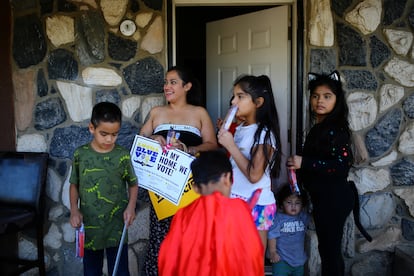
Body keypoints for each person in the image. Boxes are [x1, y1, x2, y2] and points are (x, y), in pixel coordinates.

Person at [139, 65, 218, 275]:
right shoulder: (157, 112)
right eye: (166, 82)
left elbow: (212, 145)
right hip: (160, 190)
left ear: (187, 86)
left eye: (173, 82)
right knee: (161, 241)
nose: (167, 87)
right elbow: (140, 141)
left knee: (190, 240)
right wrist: (152, 138)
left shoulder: (199, 112)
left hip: (190, 189)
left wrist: (189, 148)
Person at [286, 71, 354, 276]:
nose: (319, 101)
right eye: (315, 96)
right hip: (325, 198)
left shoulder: (336, 129)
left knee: (330, 252)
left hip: (334, 199)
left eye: (327, 96)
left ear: (337, 99)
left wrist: (304, 162)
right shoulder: (320, 127)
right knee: (327, 251)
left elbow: (341, 166)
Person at [158, 150, 264, 276]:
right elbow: (253, 259)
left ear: (195, 188)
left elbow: (168, 261)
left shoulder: (183, 215)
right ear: (227, 178)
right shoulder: (238, 210)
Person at [69, 102, 138, 276]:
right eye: (104, 134)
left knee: (120, 271)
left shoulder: (122, 155)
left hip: (116, 225)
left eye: (115, 134)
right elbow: (74, 184)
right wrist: (74, 210)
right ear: (92, 128)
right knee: (91, 272)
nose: (109, 139)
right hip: (90, 227)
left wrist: (131, 207)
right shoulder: (81, 154)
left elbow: (133, 183)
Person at [217, 74, 282, 249]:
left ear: (258, 103)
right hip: (234, 201)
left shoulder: (264, 134)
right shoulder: (239, 129)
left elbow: (254, 175)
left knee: (253, 262)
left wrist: (231, 145)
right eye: (233, 96)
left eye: (240, 96)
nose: (233, 102)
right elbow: (235, 164)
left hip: (258, 205)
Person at [267, 184, 310, 276]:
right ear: (282, 204)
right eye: (289, 202)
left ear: (302, 205)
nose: (293, 206)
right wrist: (273, 252)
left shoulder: (303, 217)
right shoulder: (279, 218)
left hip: (299, 261)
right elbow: (272, 235)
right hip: (281, 260)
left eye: (297, 203)